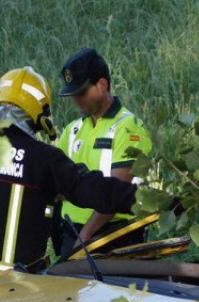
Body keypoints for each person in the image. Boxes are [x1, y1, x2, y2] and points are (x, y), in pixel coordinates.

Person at [0, 67, 137, 274]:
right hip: (16, 288)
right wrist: (148, 199)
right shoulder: (43, 158)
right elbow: (94, 189)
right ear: (38, 114)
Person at [54, 48, 152, 259]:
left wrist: (84, 239)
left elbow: (116, 194)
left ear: (102, 85)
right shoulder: (72, 130)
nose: (76, 100)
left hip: (114, 234)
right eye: (73, 94)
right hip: (73, 233)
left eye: (81, 92)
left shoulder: (128, 127)